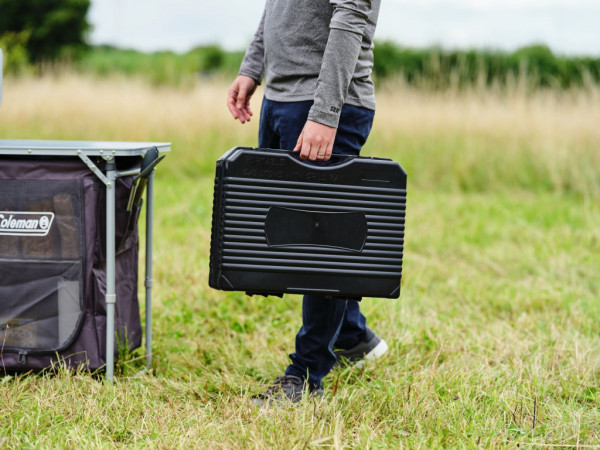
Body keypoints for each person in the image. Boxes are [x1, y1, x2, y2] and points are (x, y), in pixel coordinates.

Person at [226, 0, 387, 405]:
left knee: (322, 248)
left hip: (322, 104)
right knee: (293, 238)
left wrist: (326, 112)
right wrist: (252, 67)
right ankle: (351, 336)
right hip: (281, 97)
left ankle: (306, 376)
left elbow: (351, 14)